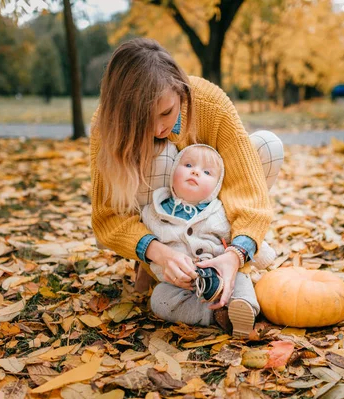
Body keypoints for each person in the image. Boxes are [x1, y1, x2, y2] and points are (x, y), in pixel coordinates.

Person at [90, 37, 283, 329]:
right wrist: (157, 250)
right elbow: (107, 216)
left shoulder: (211, 103)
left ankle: (223, 266)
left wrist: (236, 254)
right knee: (162, 155)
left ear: (181, 90)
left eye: (166, 113)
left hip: (215, 224)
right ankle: (160, 270)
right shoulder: (106, 125)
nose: (158, 128)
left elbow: (248, 188)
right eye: (143, 121)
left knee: (266, 146)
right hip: (160, 230)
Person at [141, 144, 276, 337]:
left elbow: (239, 236)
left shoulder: (219, 212)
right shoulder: (154, 213)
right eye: (188, 165)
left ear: (216, 186)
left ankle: (243, 308)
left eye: (206, 172)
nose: (195, 172)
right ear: (172, 173)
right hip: (182, 284)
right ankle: (216, 314)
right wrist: (165, 272)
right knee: (160, 298)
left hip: (223, 274)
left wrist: (265, 257)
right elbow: (152, 247)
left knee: (241, 280)